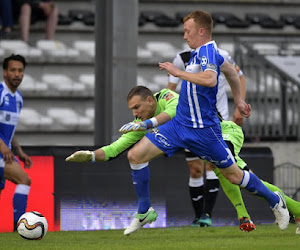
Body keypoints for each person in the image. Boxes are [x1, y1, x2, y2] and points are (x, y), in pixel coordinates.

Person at [119, 10, 289, 235]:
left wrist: (177, 72)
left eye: (187, 31)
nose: (184, 35)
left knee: (235, 176)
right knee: (135, 155)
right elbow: (231, 72)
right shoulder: (202, 52)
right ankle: (143, 212)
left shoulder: (208, 50)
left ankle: (275, 201)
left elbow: (210, 79)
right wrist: (239, 100)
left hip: (204, 131)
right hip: (180, 125)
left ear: (201, 31)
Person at [167, 48, 250, 229]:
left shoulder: (221, 54)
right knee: (195, 169)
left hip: (217, 120)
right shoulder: (182, 58)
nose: (186, 35)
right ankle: (198, 217)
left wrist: (239, 104)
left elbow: (239, 77)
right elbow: (170, 89)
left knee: (215, 166)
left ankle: (207, 215)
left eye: (189, 31)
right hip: (191, 122)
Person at [220, 118, 300, 235]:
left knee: (227, 166)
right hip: (200, 136)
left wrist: (239, 102)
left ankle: (248, 214)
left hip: (222, 131)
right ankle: (296, 208)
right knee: (234, 176)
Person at [0, 54, 33, 231]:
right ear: (5, 72)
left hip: (4, 152)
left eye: (20, 71)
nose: (17, 74)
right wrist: (3, 146)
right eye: (13, 70)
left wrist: (18, 150)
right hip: (1, 152)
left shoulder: (18, 98)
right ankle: (19, 226)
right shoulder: (0, 93)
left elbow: (9, 131)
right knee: (24, 179)